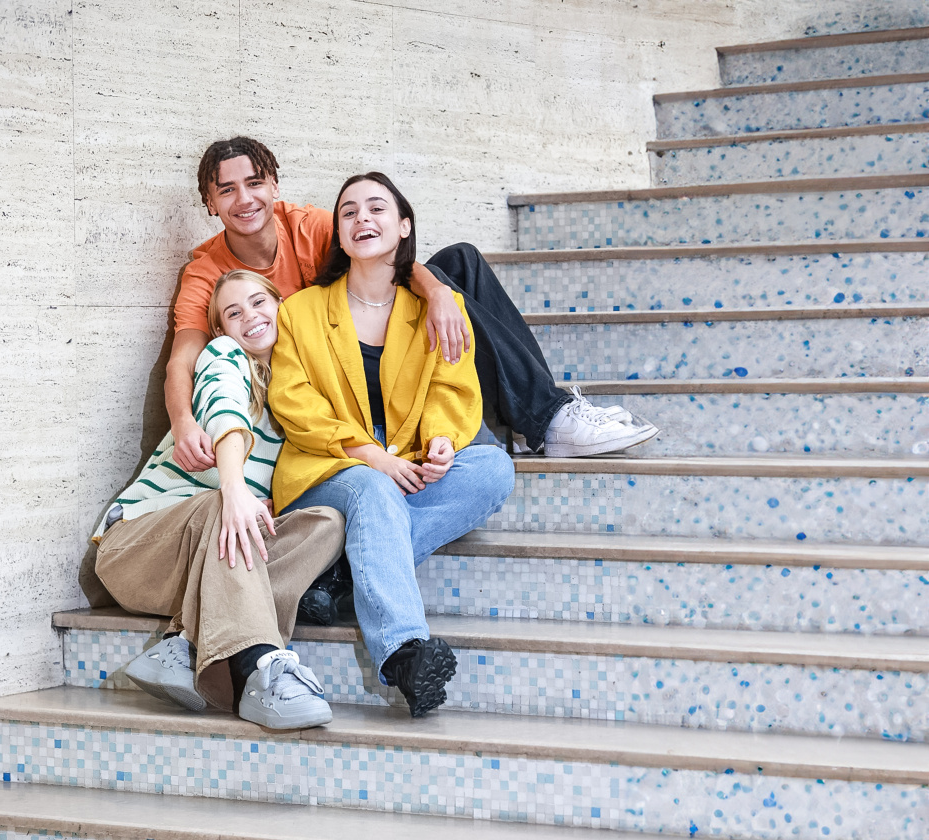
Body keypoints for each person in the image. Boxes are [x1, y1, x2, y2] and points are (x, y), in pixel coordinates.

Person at [165, 136, 656, 479]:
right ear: (209, 202)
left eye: (253, 183)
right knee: (443, 284)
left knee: (458, 263)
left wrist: (440, 293)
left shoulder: (313, 225)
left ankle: (544, 415)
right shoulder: (207, 269)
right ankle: (542, 417)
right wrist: (185, 423)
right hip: (330, 375)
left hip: (374, 335)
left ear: (274, 186)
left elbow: (386, 261)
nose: (243, 198)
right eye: (226, 189)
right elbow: (181, 361)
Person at [269, 172, 517, 718]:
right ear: (337, 235)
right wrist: (373, 456)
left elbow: (454, 387)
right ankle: (405, 651)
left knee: (493, 468)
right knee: (374, 490)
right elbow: (294, 403)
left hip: (406, 455)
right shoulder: (301, 311)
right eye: (349, 212)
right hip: (330, 463)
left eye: (377, 208)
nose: (363, 220)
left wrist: (443, 443)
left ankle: (343, 576)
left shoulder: (434, 307)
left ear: (404, 227)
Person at [84, 270, 345, 730]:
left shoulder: (297, 390)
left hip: (206, 560)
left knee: (326, 521)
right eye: (234, 312)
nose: (251, 317)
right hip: (134, 549)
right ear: (222, 329)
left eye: (260, 302)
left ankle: (185, 643)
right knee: (221, 509)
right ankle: (260, 671)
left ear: (281, 305)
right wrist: (235, 487)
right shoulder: (223, 356)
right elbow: (225, 411)